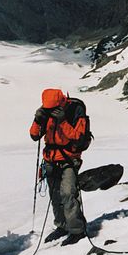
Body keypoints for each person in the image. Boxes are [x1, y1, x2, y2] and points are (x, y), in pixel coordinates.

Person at [30, 88, 88, 245]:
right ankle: (62, 226)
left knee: (68, 193)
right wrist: (37, 120)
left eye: (52, 109)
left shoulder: (75, 110)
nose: (50, 112)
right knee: (55, 196)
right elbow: (35, 135)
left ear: (61, 102)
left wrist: (63, 122)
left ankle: (77, 230)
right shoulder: (47, 111)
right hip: (50, 160)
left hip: (68, 160)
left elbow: (78, 138)